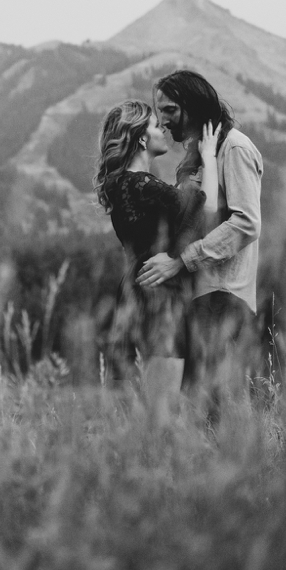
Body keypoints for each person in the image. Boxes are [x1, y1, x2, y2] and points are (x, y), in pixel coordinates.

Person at [137, 70, 264, 401]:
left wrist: (180, 261)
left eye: (169, 110)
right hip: (199, 300)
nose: (163, 121)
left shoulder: (235, 148)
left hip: (225, 297)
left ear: (192, 105)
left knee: (220, 407)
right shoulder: (197, 158)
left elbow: (247, 223)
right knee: (200, 410)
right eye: (159, 111)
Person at [95, 99, 221, 396]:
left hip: (131, 293)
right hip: (162, 296)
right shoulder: (144, 186)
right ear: (141, 138)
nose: (162, 129)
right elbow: (208, 208)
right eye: (155, 125)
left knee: (127, 406)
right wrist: (209, 156)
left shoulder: (118, 185)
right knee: (160, 408)